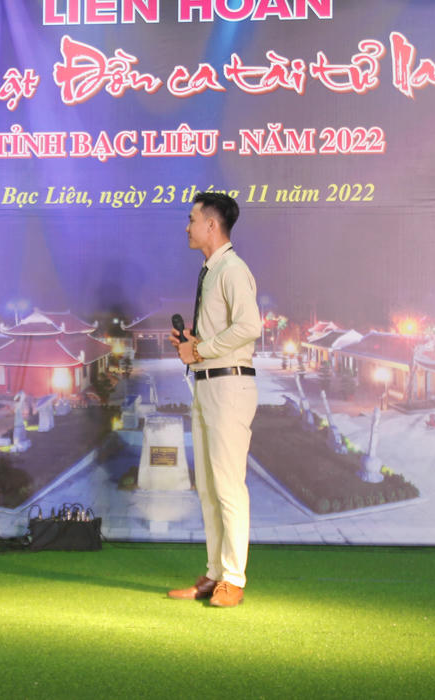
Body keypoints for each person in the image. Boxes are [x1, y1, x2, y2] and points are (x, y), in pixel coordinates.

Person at [166, 192, 262, 608]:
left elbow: (250, 326)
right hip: (206, 385)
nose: (187, 227)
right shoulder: (211, 271)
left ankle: (233, 579)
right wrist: (192, 344)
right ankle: (214, 573)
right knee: (207, 486)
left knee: (227, 486)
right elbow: (224, 332)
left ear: (211, 224)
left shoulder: (233, 269)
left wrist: (200, 349)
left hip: (229, 386)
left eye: (192, 219)